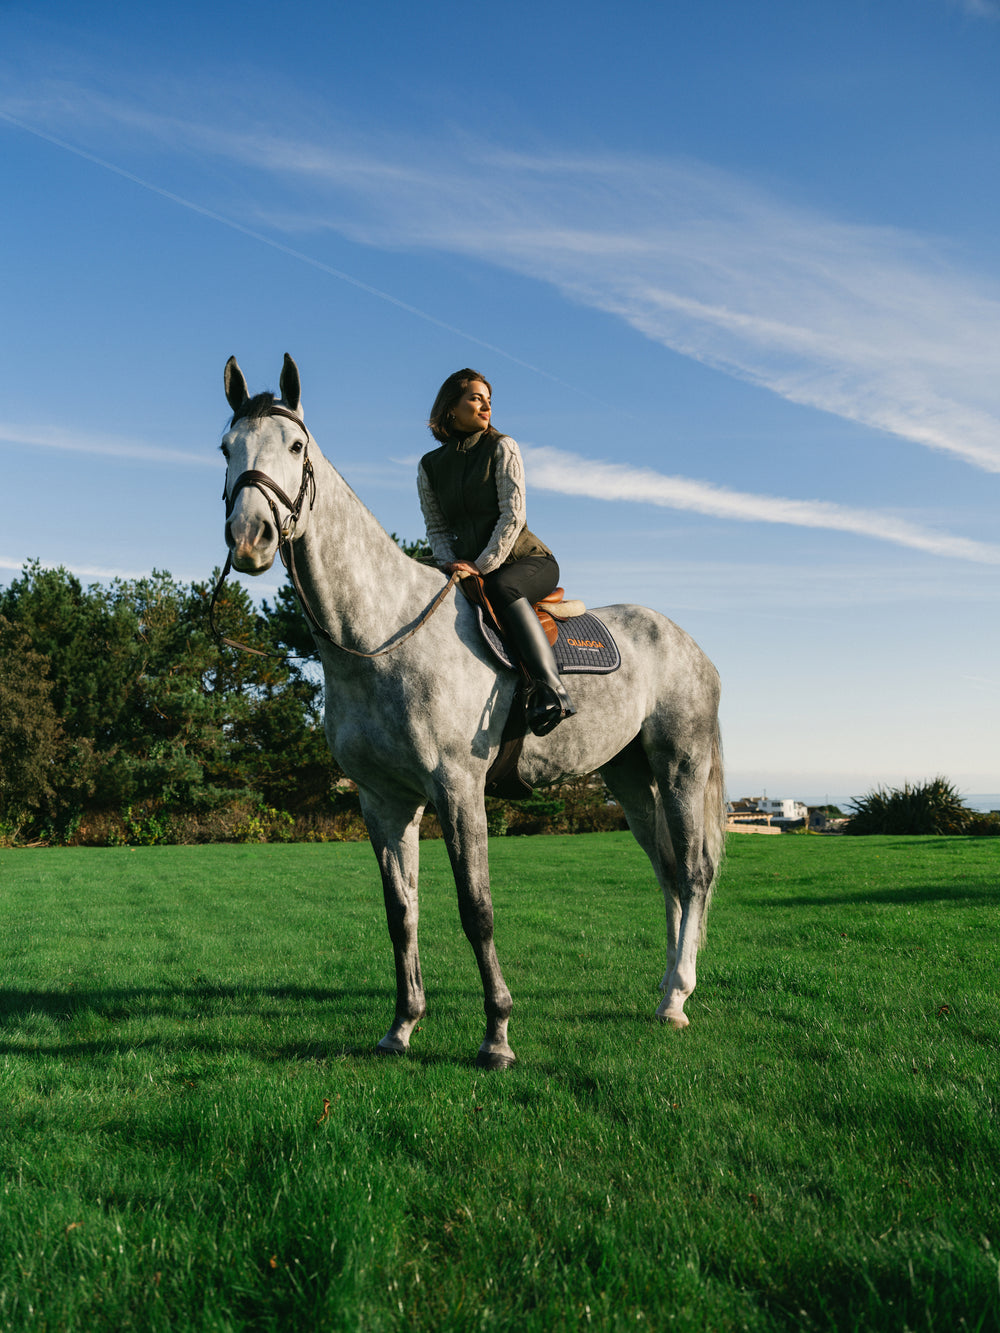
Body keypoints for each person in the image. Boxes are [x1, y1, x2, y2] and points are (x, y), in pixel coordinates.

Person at [418, 369, 575, 736]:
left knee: (503, 588)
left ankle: (553, 689)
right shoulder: (429, 467)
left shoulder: (503, 446)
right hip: (467, 567)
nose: (485, 404)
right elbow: (437, 528)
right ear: (450, 408)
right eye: (475, 397)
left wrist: (480, 565)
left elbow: (512, 515)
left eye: (488, 398)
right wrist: (448, 567)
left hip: (527, 562)